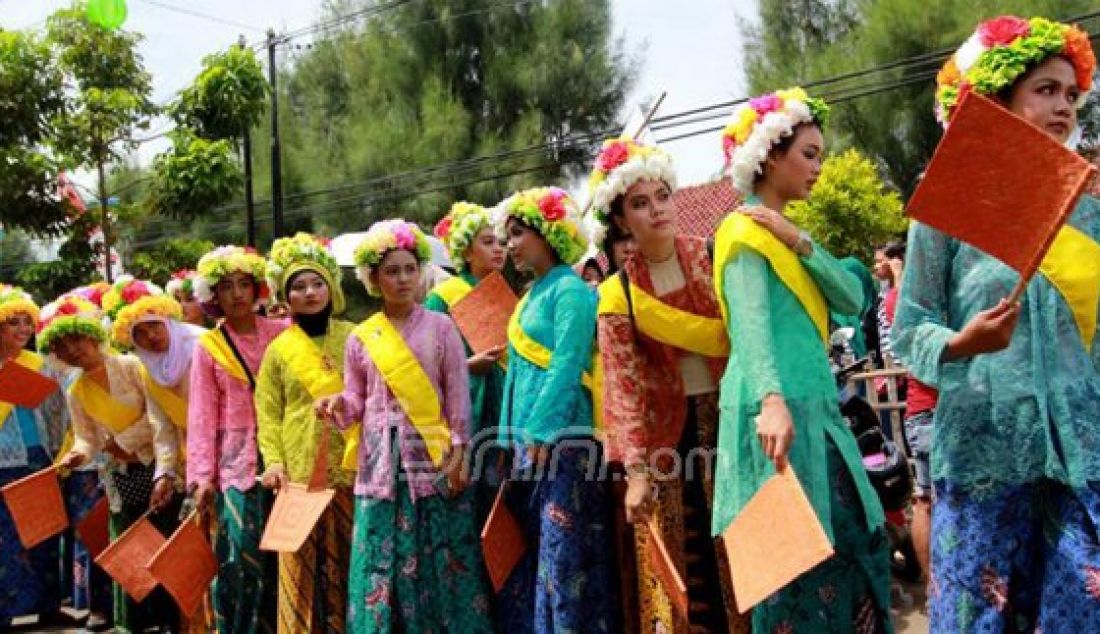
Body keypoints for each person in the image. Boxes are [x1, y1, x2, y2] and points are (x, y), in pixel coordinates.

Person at [894, 16, 1099, 631]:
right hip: (984, 450)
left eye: (1071, 94)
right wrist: (962, 343)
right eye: (1045, 90)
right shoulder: (950, 204)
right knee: (980, 619)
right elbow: (911, 326)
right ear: (1000, 100)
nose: (1064, 105)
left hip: (1080, 452)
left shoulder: (1087, 210)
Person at [713, 87, 892, 633]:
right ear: (769, 156)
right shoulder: (741, 232)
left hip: (818, 412)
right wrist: (771, 399)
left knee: (855, 539)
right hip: (772, 416)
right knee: (789, 565)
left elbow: (854, 298)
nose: (818, 167)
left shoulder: (787, 236)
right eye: (808, 154)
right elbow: (750, 325)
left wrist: (799, 240)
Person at [587, 138, 746, 632]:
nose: (656, 210)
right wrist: (635, 472)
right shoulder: (618, 293)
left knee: (741, 555)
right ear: (620, 221)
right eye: (640, 203)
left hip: (729, 421)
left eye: (662, 196)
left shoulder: (712, 258)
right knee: (681, 566)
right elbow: (624, 388)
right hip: (664, 440)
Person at [315, 219, 494, 633]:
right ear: (373, 278)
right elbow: (356, 400)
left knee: (442, 552)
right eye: (391, 271)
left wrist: (460, 450)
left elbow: (457, 396)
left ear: (421, 272)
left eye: (409, 269)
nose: (402, 279)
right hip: (380, 459)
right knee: (381, 555)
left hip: (432, 454)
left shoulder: (441, 327)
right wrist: (335, 405)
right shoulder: (362, 337)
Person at [495, 187, 616, 633]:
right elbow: (516, 378)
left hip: (564, 440)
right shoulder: (530, 295)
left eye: (517, 234)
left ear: (549, 234)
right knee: (542, 556)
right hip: (533, 445)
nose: (509, 245)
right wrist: (510, 440)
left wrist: (542, 432)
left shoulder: (569, 290)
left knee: (564, 557)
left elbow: (567, 363)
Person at [48, 294, 181, 633]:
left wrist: (123, 444)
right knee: (128, 548)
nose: (73, 350)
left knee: (165, 541)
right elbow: (85, 437)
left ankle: (170, 618)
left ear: (93, 337)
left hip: (157, 466)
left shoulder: (131, 366)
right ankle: (134, 622)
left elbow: (157, 413)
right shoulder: (75, 390)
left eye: (77, 340)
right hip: (119, 477)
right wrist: (77, 455)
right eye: (63, 347)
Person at [255, 233, 355, 633]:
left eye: (317, 284)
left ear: (331, 288)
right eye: (298, 286)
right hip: (297, 473)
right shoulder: (279, 349)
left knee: (351, 559)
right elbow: (268, 412)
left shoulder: (356, 336)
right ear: (285, 297)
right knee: (298, 567)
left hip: (351, 465)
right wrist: (274, 462)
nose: (310, 293)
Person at [106, 276, 214, 633]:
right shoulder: (150, 368)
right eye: (140, 334)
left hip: (224, 455)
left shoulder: (203, 346)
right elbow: (162, 428)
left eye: (154, 326)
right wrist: (164, 474)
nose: (151, 338)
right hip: (186, 463)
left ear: (168, 319)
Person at [187, 245, 284, 634]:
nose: (238, 294)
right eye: (226, 287)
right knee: (238, 552)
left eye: (245, 284)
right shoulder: (208, 347)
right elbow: (202, 415)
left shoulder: (283, 334)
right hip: (236, 463)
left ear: (259, 288)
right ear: (213, 296)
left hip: (284, 455)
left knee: (283, 553)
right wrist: (202, 476)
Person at [426, 202, 508, 524]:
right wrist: (467, 365)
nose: (498, 249)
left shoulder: (506, 292)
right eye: (487, 242)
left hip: (504, 406)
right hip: (469, 410)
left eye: (500, 241)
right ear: (466, 252)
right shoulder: (443, 296)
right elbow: (428, 362)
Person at [0, 285, 71, 628]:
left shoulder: (39, 364)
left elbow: (58, 412)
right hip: (2, 461)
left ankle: (46, 603)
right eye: (14, 323)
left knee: (43, 532)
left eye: (27, 323)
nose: (23, 331)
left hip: (38, 455)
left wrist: (60, 452)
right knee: (5, 538)